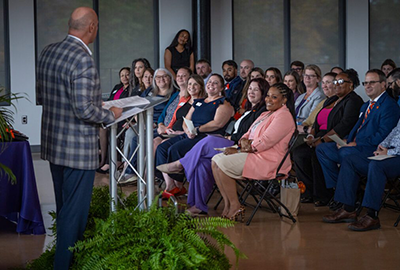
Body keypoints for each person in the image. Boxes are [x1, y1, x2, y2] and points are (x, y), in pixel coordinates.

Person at [36, 7, 122, 269]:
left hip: (54, 145)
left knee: (65, 210)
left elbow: (43, 96)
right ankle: (63, 265)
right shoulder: (82, 58)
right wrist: (111, 114)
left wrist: (93, 104)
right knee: (74, 215)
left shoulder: (48, 51)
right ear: (92, 27)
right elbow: (84, 110)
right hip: (77, 151)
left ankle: (67, 260)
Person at [157, 78, 269, 216]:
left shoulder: (262, 113)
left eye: (256, 89)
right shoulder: (248, 110)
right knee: (201, 164)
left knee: (210, 139)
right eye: (250, 89)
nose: (251, 92)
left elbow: (248, 136)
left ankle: (180, 164)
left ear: (263, 93)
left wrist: (228, 138)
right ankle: (197, 206)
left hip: (239, 146)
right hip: (230, 141)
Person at [316, 69, 400, 212]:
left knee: (346, 154)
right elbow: (356, 128)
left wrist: (356, 144)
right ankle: (343, 190)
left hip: (369, 149)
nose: (367, 86)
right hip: (354, 146)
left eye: (372, 82)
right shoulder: (365, 105)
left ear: (384, 85)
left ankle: (346, 197)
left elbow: (383, 135)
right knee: (322, 149)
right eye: (365, 83)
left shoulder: (389, 106)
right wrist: (345, 139)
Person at [211, 83, 296, 221]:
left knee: (222, 163)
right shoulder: (266, 113)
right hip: (252, 153)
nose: (268, 99)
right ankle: (228, 205)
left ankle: (235, 205)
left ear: (284, 100)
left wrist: (245, 147)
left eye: (274, 97)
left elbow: (265, 141)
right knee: (215, 160)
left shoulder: (283, 116)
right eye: (268, 95)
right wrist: (243, 142)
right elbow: (248, 133)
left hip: (268, 160)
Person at [156, 74, 234, 197]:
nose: (211, 85)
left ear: (221, 88)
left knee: (175, 149)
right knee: (162, 148)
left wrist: (197, 130)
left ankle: (179, 184)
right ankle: (170, 185)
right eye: (209, 82)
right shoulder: (199, 102)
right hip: (190, 134)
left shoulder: (223, 104)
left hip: (206, 137)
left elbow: (217, 124)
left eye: (215, 83)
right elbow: (186, 119)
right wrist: (187, 130)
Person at [293, 70, 364, 206]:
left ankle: (324, 194)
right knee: (299, 153)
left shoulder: (353, 100)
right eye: (335, 81)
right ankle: (308, 192)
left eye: (340, 82)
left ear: (351, 85)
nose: (336, 85)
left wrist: (322, 140)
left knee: (316, 153)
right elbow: (316, 120)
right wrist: (312, 135)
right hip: (320, 136)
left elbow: (344, 125)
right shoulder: (332, 99)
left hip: (340, 139)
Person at [323, 118, 400, 231]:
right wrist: (382, 146)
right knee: (350, 160)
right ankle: (348, 209)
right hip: (388, 153)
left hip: (396, 156)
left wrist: (389, 152)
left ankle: (371, 215)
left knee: (376, 165)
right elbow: (394, 132)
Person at [97, 67, 131, 174]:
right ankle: (102, 159)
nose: (124, 77)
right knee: (101, 127)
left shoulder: (131, 89)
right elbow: (110, 100)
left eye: (127, 74)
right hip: (111, 115)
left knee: (112, 130)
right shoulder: (117, 87)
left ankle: (112, 161)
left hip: (123, 117)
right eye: (122, 75)